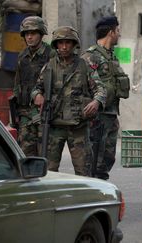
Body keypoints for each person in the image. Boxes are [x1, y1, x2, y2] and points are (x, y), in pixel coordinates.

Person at [31, 26, 106, 176]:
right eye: (60, 43)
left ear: (74, 45)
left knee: (84, 171)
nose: (64, 46)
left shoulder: (84, 66)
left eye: (68, 43)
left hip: (78, 127)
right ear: (56, 45)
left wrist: (96, 101)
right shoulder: (49, 67)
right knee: (48, 172)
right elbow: (36, 88)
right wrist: (37, 95)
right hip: (53, 127)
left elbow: (100, 89)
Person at [81, 16, 130, 180]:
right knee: (95, 158)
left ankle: (101, 181)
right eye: (117, 31)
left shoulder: (111, 57)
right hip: (98, 117)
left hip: (110, 115)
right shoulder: (91, 56)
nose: (119, 35)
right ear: (111, 32)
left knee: (107, 157)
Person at [12, 16, 53, 156]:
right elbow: (17, 84)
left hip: (43, 112)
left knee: (44, 155)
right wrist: (14, 111)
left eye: (33, 33)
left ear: (41, 34)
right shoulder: (22, 56)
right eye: (27, 34)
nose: (29, 37)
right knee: (25, 155)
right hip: (25, 114)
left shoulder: (51, 55)